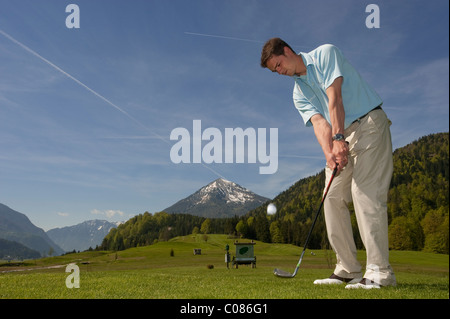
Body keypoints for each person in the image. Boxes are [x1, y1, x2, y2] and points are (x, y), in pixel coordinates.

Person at [260, 38, 396, 289]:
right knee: (330, 196)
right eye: (274, 70)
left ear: (287, 51)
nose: (279, 72)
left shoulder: (325, 55)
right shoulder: (297, 93)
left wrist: (338, 138)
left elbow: (335, 99)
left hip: (368, 125)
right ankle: (347, 268)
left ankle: (380, 271)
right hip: (340, 135)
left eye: (278, 65)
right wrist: (330, 154)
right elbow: (319, 124)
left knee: (363, 191)